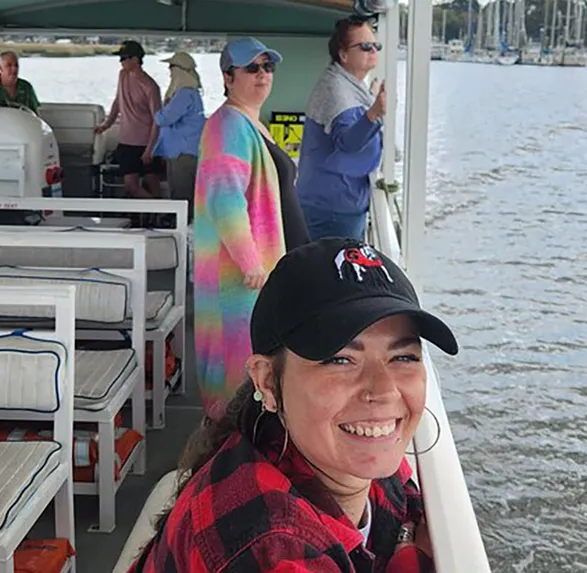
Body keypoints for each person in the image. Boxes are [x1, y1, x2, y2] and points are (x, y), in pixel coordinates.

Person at [131, 237, 458, 573]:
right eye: (340, 360)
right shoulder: (269, 547)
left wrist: (404, 544)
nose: (384, 390)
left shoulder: (327, 450)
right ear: (267, 382)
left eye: (403, 356)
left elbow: (403, 499)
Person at [192, 37, 309, 420]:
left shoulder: (250, 122)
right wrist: (250, 264)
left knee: (259, 373)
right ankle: (228, 460)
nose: (263, 75)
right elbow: (225, 198)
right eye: (252, 68)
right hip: (240, 285)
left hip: (265, 275)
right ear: (228, 77)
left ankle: (252, 450)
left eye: (268, 67)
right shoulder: (226, 125)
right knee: (238, 379)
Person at [296, 18, 386, 241]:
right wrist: (374, 112)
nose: (373, 50)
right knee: (333, 274)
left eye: (376, 46)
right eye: (365, 46)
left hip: (340, 202)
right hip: (331, 209)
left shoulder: (351, 85)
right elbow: (347, 142)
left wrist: (371, 102)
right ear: (343, 55)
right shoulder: (336, 89)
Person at [94, 40, 163, 200]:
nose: (121, 62)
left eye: (124, 58)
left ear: (135, 59)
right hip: (127, 142)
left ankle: (162, 215)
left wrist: (150, 149)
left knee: (151, 180)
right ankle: (160, 211)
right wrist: (107, 124)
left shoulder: (150, 86)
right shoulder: (123, 75)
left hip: (146, 143)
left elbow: (157, 120)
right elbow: (118, 101)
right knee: (130, 185)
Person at [154, 51, 206, 224]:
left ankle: (182, 232)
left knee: (181, 195)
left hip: (181, 152)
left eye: (171, 67)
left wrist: (160, 110)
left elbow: (164, 119)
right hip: (184, 150)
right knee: (184, 194)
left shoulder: (183, 94)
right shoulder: (193, 93)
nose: (169, 72)